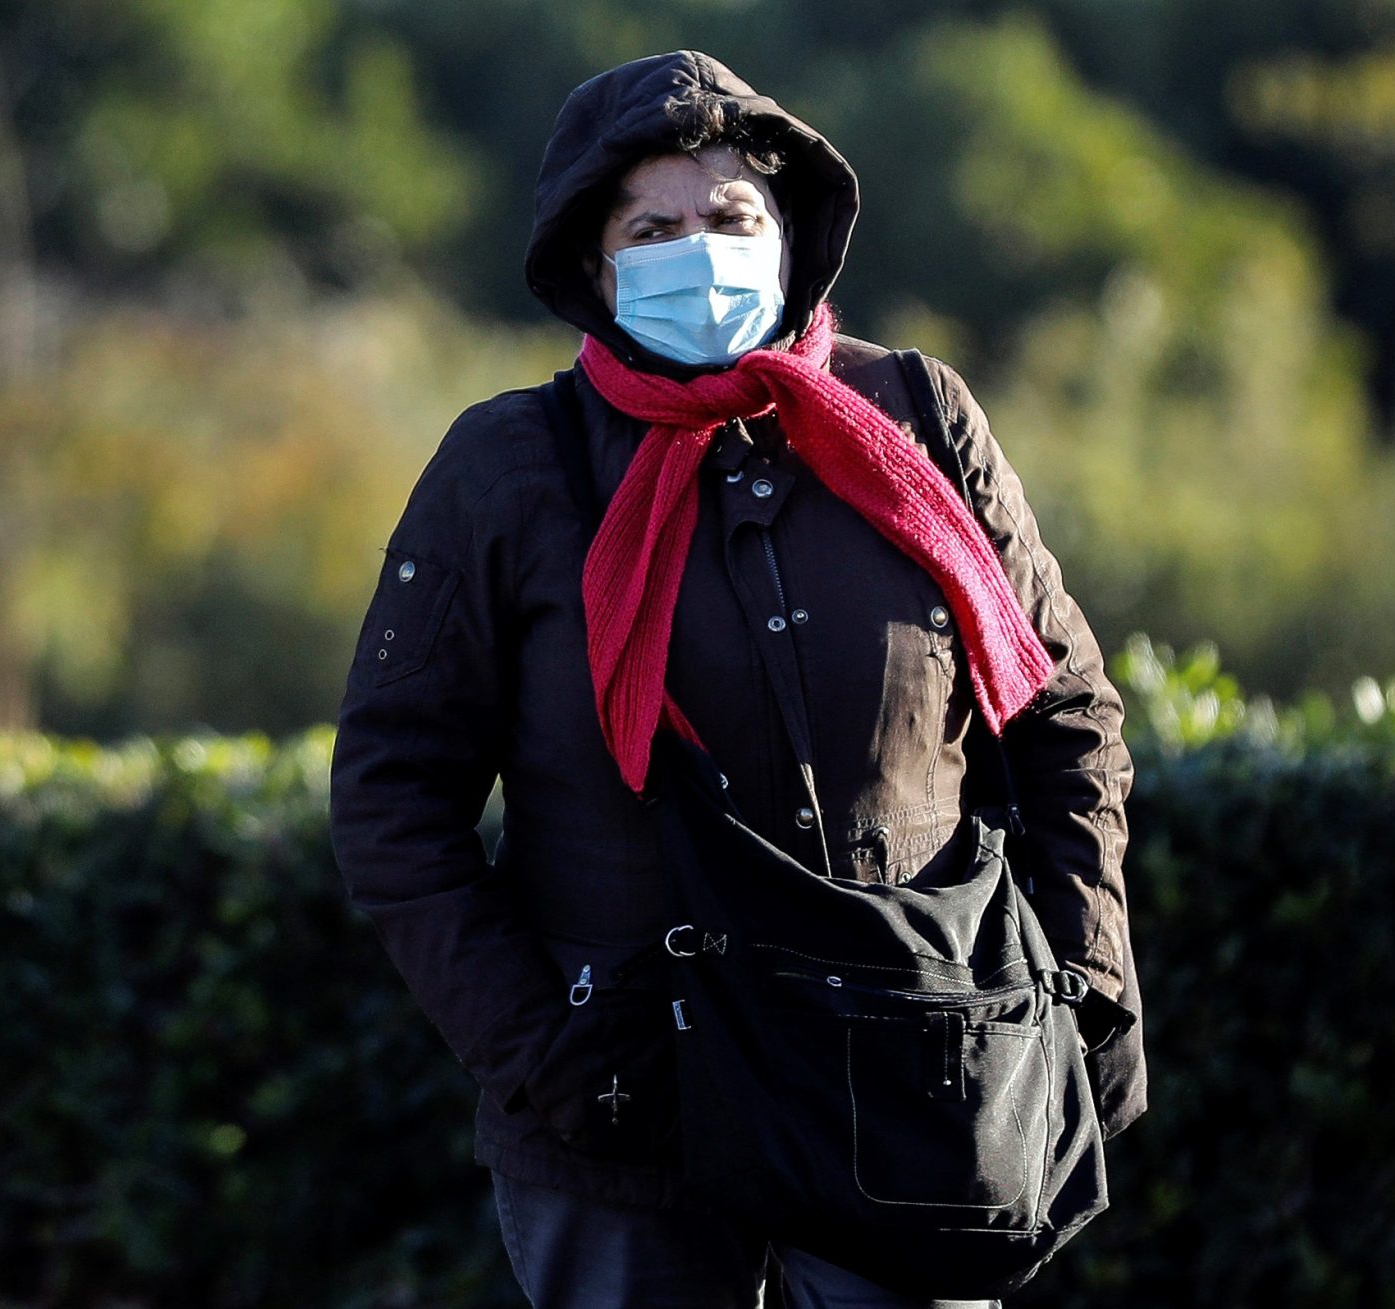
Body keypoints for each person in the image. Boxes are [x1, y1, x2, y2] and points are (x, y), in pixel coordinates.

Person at [328, 49, 1146, 1308]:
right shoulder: (510, 466)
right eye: (651, 230)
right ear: (593, 265)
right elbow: (391, 799)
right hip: (627, 1111)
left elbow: (1062, 715)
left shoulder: (918, 417)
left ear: (789, 234)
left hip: (909, 1083)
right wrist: (543, 1055)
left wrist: (1083, 978)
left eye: (728, 216)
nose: (697, 253)